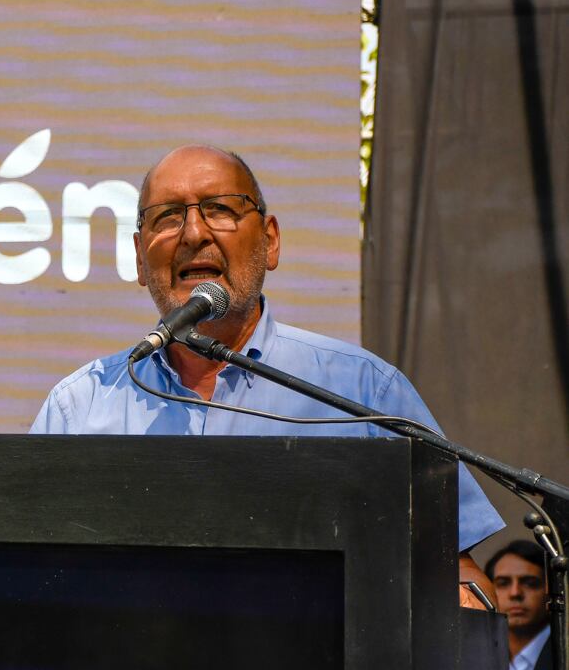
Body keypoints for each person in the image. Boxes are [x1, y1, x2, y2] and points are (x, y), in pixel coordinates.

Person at [30, 145, 504, 598]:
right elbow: (24, 574)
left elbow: (460, 576)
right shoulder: (82, 406)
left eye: (220, 209)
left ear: (270, 241)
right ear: (139, 256)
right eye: (168, 216)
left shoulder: (362, 390)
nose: (193, 233)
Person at [462, 540, 554, 670]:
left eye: (529, 583)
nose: (515, 593)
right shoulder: (470, 654)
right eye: (503, 583)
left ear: (550, 593)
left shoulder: (563, 655)